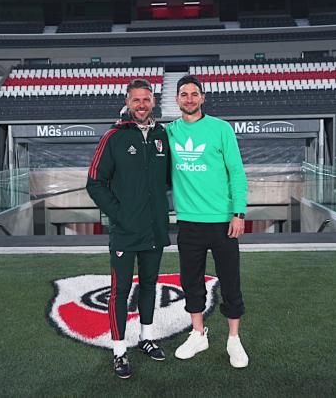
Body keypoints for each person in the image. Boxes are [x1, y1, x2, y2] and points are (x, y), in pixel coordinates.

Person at [86, 78, 171, 379]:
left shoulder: (163, 135)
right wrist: (119, 214)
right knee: (120, 292)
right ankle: (119, 351)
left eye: (146, 99)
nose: (141, 104)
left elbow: (171, 180)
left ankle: (146, 338)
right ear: (127, 101)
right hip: (125, 230)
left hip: (155, 230)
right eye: (136, 99)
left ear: (153, 102)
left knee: (149, 286)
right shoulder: (114, 137)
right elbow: (94, 182)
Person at [167, 74, 249, 368]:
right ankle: (198, 333)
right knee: (191, 282)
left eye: (194, 94)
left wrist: (238, 213)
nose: (189, 98)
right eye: (183, 94)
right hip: (188, 222)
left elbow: (237, 173)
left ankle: (234, 340)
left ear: (202, 98)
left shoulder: (221, 129)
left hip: (223, 222)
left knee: (230, 281)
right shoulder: (169, 133)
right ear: (176, 100)